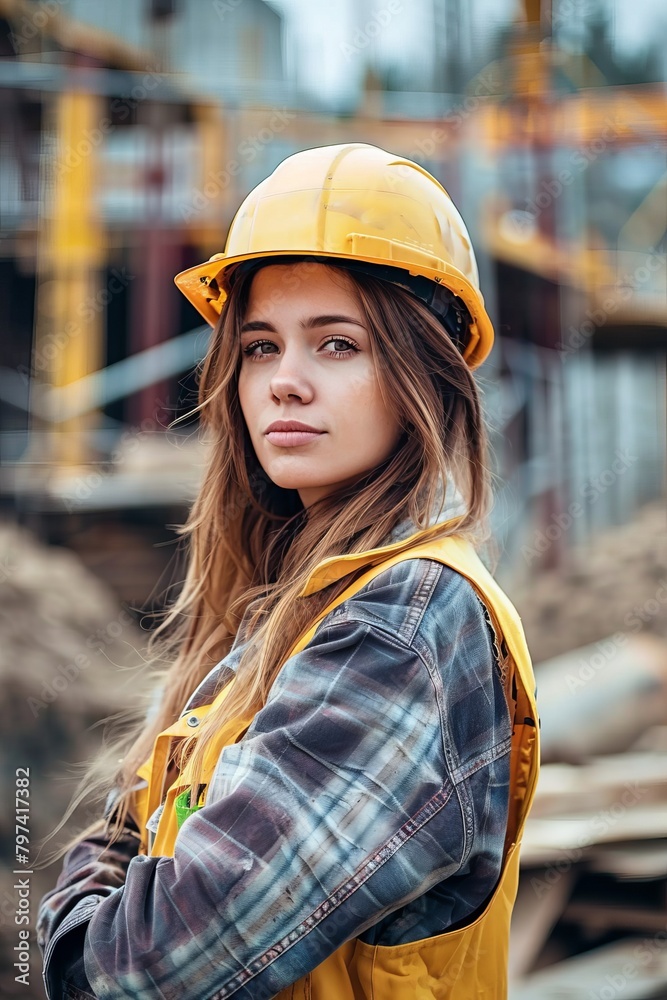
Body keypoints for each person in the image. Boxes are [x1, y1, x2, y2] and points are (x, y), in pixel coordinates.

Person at [37, 142, 539, 999]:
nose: (284, 383)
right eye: (261, 347)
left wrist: (74, 930)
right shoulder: (291, 607)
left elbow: (140, 974)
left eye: (337, 345)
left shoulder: (403, 624)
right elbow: (138, 829)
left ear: (426, 375)